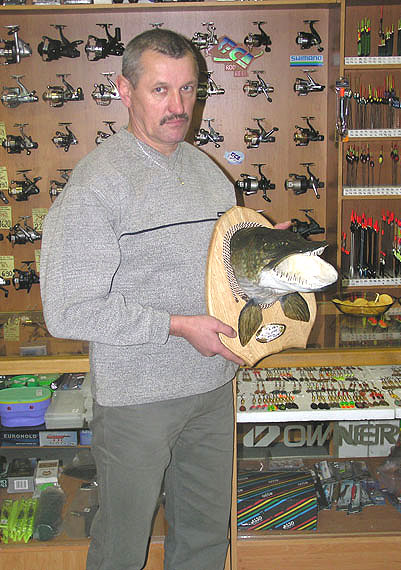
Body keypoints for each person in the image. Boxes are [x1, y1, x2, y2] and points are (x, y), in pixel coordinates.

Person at [40, 28, 245, 570]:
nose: (178, 106)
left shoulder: (208, 174)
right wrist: (177, 326)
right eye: (160, 90)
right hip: (137, 400)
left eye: (188, 89)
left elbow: (221, 275)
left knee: (205, 539)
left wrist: (263, 255)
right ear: (125, 91)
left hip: (212, 385)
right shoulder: (98, 184)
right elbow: (68, 309)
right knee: (121, 548)